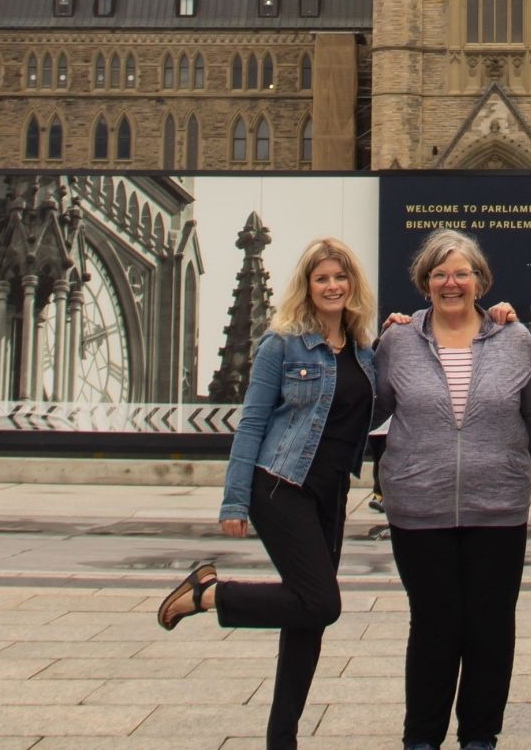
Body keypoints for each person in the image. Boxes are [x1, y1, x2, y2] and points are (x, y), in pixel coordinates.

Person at [156, 237, 378, 750]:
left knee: (307, 615)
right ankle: (208, 595)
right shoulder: (281, 343)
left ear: (352, 285)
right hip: (280, 484)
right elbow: (252, 421)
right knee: (322, 602)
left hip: (330, 492)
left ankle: (282, 739)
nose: (332, 286)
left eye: (339, 278)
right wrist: (234, 500)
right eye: (321, 278)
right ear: (306, 286)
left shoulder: (365, 351)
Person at [374, 229, 531, 750]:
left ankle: (480, 737)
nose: (451, 283)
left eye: (461, 273)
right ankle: (421, 738)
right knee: (433, 623)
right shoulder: (398, 340)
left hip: (497, 505)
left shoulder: (515, 338)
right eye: (440, 274)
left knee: (491, 627)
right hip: (418, 506)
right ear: (425, 282)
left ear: (480, 281)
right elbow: (370, 407)